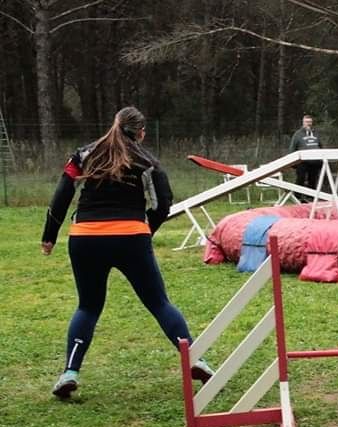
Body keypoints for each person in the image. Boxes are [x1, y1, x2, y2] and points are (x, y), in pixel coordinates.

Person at [41, 106, 213, 399]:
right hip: (131, 237)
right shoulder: (148, 162)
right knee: (159, 303)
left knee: (88, 306)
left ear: (114, 124)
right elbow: (163, 204)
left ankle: (69, 372)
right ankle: (195, 359)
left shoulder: (83, 154)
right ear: (141, 133)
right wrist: (147, 229)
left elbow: (63, 193)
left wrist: (49, 236)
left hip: (85, 238)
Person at [289, 115, 323, 198]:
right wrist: (293, 163)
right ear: (303, 123)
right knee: (300, 179)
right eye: (307, 122)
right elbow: (292, 148)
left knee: (313, 180)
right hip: (302, 162)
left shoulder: (316, 133)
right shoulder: (298, 134)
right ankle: (297, 197)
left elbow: (320, 146)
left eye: (310, 122)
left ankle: (311, 198)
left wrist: (321, 158)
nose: (309, 124)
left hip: (315, 161)